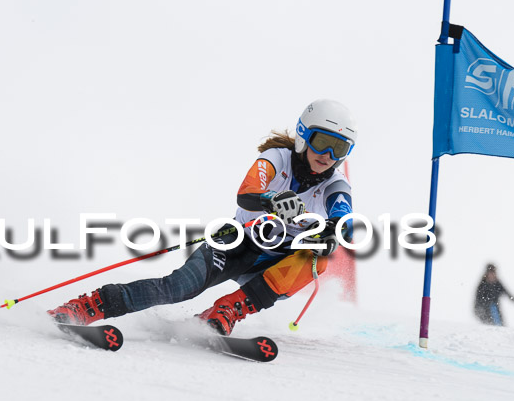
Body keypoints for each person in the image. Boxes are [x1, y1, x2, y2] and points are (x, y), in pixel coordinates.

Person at [47, 99, 357, 335]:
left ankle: (226, 311)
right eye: (322, 143)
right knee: (177, 288)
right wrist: (273, 199)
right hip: (239, 244)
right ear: (303, 134)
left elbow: (345, 220)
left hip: (276, 263)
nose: (328, 156)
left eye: (339, 149)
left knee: (316, 259)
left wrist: (330, 233)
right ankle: (89, 306)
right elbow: (247, 193)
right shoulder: (276, 158)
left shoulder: (335, 183)